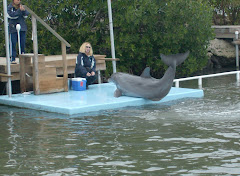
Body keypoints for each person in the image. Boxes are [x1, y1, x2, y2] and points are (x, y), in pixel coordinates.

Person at [7, 0, 29, 64]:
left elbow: (26, 15)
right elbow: (12, 16)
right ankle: (12, 58)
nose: (18, 1)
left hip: (22, 27)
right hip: (13, 28)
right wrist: (19, 10)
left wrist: (24, 10)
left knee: (22, 43)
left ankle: (23, 58)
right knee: (13, 43)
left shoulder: (22, 6)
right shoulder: (9, 7)